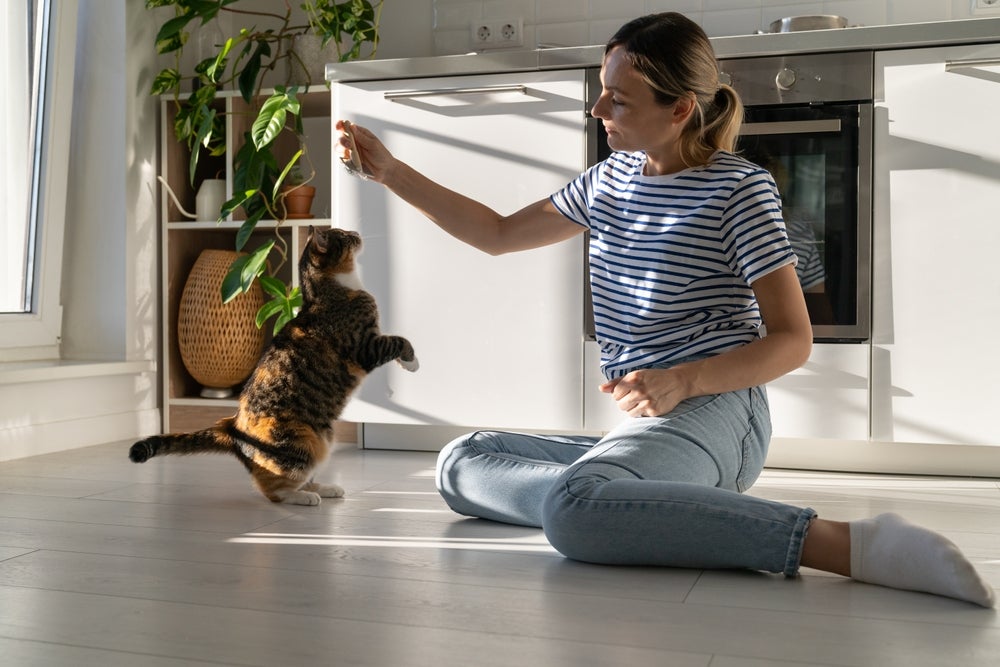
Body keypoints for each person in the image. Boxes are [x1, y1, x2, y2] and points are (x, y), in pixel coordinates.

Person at [335, 12, 994, 608]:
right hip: (646, 422)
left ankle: (847, 544)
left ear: (679, 109)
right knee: (460, 463)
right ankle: (633, 493)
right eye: (601, 88)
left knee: (573, 513)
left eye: (617, 99)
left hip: (719, 410)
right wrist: (390, 170)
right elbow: (498, 234)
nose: (597, 108)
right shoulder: (608, 181)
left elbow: (792, 340)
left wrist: (683, 378)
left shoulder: (739, 190)